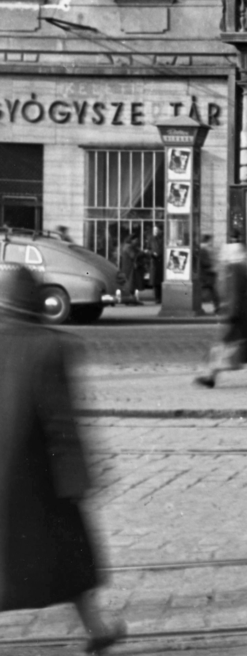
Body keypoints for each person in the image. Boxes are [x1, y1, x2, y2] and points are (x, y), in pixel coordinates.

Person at [0, 265, 125, 652]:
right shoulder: (50, 347)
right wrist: (77, 479)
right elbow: (61, 423)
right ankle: (97, 630)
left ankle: (98, 630)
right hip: (38, 477)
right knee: (71, 560)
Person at [193, 243, 247, 390]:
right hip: (246, 312)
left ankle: (211, 376)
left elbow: (234, 293)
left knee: (223, 344)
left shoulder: (234, 269)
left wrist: (230, 315)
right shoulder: (241, 267)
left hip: (237, 314)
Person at [197, 235, 219, 316]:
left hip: (205, 274)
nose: (212, 242)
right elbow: (206, 263)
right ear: (207, 241)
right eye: (211, 241)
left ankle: (217, 308)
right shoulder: (204, 249)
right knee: (213, 292)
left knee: (211, 291)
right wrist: (212, 267)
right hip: (207, 275)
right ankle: (217, 308)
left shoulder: (203, 249)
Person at [117, 236, 140, 306]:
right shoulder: (129, 247)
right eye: (136, 240)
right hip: (129, 267)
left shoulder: (124, 246)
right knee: (131, 284)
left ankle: (130, 299)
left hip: (126, 267)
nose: (137, 241)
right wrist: (140, 252)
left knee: (129, 283)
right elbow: (133, 255)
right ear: (132, 240)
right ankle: (131, 300)